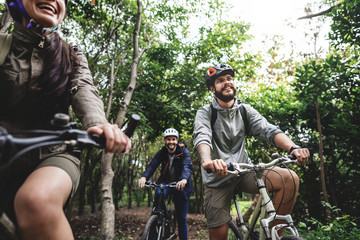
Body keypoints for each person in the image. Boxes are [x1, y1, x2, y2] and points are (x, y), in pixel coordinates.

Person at [0, 0, 131, 239]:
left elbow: (84, 91)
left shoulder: (71, 55)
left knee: (36, 201)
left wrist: (98, 124)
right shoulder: (2, 45)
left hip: (54, 154)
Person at [193, 64, 310, 240]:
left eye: (229, 79)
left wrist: (293, 148)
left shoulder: (244, 110)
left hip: (244, 171)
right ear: (212, 89)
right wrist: (207, 161)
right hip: (217, 178)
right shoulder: (205, 113)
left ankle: (275, 235)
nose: (227, 83)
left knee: (290, 178)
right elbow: (202, 137)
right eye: (220, 81)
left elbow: (268, 129)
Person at [138, 128, 193, 240]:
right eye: (168, 139)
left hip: (181, 185)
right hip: (166, 182)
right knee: (158, 193)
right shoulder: (162, 152)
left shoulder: (183, 151)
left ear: (177, 140)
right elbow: (153, 165)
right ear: (165, 141)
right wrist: (144, 177)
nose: (171, 142)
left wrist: (183, 179)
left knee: (181, 219)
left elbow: (187, 166)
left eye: (173, 139)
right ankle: (157, 219)